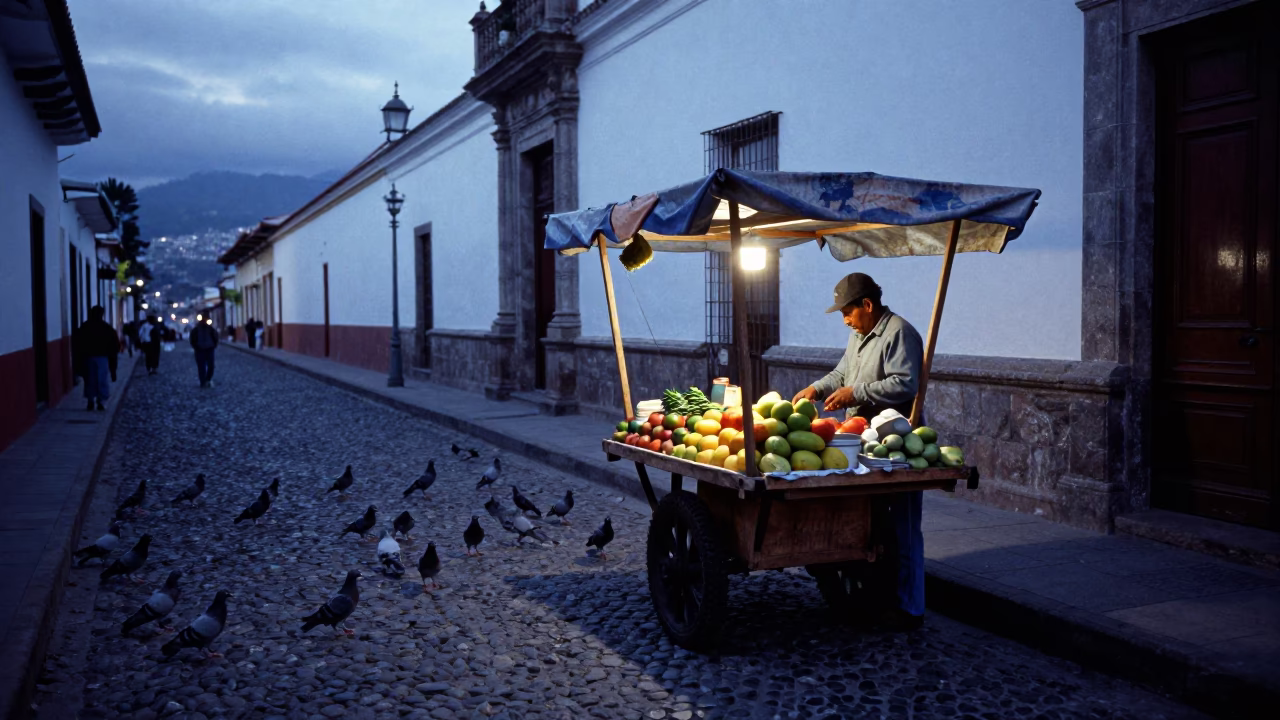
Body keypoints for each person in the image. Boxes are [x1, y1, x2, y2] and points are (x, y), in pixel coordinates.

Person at [791, 272, 925, 631]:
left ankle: (911, 609)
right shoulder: (859, 335)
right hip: (861, 442)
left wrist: (857, 393)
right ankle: (874, 600)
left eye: (847, 312)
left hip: (895, 443)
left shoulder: (900, 333)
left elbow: (905, 383)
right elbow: (841, 373)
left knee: (904, 527)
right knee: (873, 527)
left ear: (868, 305)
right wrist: (816, 390)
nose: (845, 320)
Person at [71, 305, 119, 411]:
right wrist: (113, 367)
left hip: (88, 357)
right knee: (101, 379)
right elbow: (114, 346)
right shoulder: (107, 328)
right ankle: (101, 401)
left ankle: (90, 400)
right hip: (102, 357)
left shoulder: (85, 326)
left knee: (90, 379)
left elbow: (78, 344)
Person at [189, 316, 219, 388]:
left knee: (210, 366)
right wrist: (196, 347)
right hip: (200, 350)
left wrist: (214, 345)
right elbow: (192, 339)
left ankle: (207, 379)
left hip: (209, 349)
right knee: (201, 367)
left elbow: (215, 337)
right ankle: (203, 382)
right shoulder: (196, 330)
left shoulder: (210, 329)